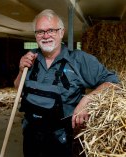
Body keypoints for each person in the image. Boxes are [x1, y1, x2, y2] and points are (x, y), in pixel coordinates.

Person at [14, 9, 118, 157]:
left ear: (61, 32)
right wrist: (20, 71)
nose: (46, 36)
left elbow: (112, 82)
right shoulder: (30, 59)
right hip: (31, 136)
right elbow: (18, 89)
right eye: (40, 32)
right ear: (36, 35)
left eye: (51, 30)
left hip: (63, 140)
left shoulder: (79, 60)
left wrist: (88, 99)